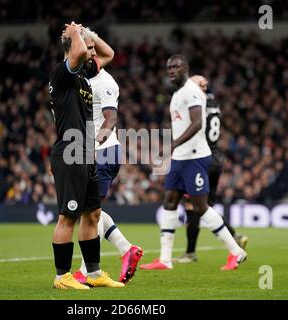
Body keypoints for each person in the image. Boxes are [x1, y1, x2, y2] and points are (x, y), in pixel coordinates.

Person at [140, 55, 247, 271]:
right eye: (168, 67)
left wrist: (174, 144)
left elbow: (198, 123)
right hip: (180, 158)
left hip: (195, 157)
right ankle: (165, 259)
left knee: (200, 207)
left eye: (176, 67)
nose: (171, 71)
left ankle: (236, 252)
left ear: (185, 68)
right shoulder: (179, 93)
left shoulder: (191, 91)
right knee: (170, 202)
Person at [48, 22, 123, 289]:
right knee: (68, 217)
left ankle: (94, 273)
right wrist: (76, 34)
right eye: (87, 50)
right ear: (72, 51)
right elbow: (80, 51)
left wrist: (88, 34)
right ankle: (62, 277)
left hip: (86, 151)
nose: (93, 54)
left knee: (92, 214)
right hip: (70, 152)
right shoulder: (63, 75)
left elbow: (108, 53)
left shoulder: (83, 76)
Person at [73, 57, 143, 285]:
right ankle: (126, 250)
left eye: (93, 50)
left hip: (103, 152)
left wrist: (92, 147)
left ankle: (87, 272)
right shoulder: (81, 80)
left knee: (89, 213)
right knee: (91, 212)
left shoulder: (105, 82)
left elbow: (111, 118)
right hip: (97, 151)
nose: (90, 56)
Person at [173, 75, 248, 264]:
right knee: (206, 207)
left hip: (201, 157)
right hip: (216, 158)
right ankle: (234, 235)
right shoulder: (213, 102)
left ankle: (190, 253)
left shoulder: (197, 101)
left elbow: (193, 125)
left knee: (194, 205)